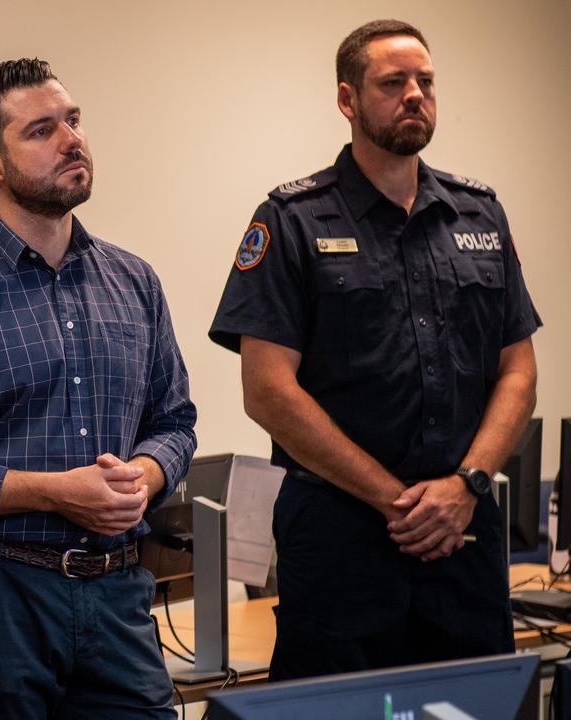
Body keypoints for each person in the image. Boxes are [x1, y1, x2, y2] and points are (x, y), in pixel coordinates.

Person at [209, 19, 541, 681]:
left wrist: (466, 485)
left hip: (464, 530)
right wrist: (400, 502)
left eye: (426, 82)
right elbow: (269, 391)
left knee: (474, 702)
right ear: (348, 100)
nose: (415, 94)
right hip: (341, 537)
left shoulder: (480, 215)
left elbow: (518, 371)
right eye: (394, 83)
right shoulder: (292, 219)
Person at [0, 58, 196, 720]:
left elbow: (177, 420)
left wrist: (142, 475)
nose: (72, 140)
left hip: (117, 592)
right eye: (42, 130)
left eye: (73, 121)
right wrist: (54, 492)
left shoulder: (133, 281)